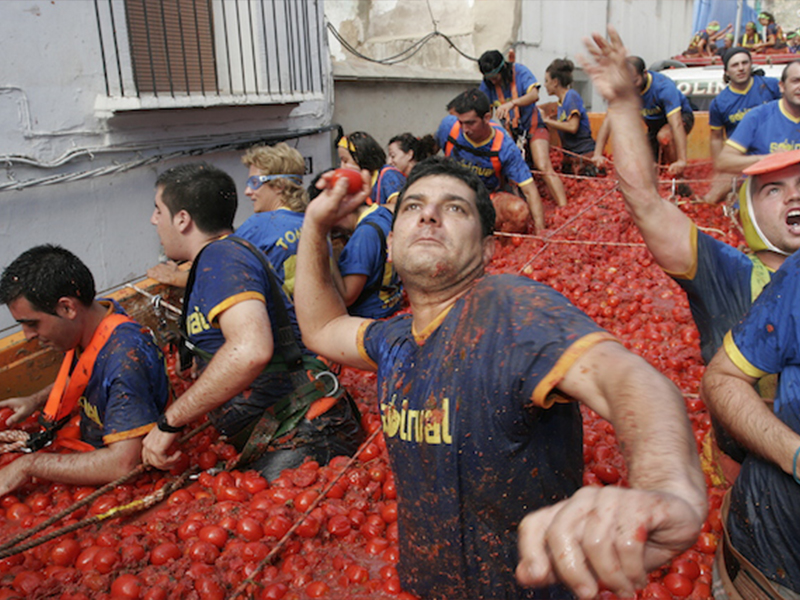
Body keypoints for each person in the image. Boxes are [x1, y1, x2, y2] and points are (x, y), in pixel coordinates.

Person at [295, 157, 706, 600]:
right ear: (391, 244)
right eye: (414, 206)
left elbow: (626, 377)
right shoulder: (394, 339)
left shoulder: (509, 308)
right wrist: (314, 227)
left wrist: (666, 486)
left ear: (489, 249)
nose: (430, 214)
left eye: (455, 209)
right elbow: (320, 328)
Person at [581, 27, 800, 466]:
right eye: (773, 190)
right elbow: (644, 201)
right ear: (747, 212)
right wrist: (624, 105)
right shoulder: (727, 273)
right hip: (749, 483)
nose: (795, 196)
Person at [142, 163, 363, 480]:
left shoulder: (221, 258)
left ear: (182, 219)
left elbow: (250, 350)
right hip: (297, 428)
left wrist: (170, 422)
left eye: (158, 210)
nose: (153, 220)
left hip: (304, 435)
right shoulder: (228, 253)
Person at [0, 245, 169, 495]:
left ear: (67, 308)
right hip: (90, 442)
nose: (28, 337)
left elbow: (123, 464)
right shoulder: (99, 320)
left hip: (125, 473)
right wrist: (35, 400)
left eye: (32, 324)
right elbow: (88, 372)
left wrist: (28, 465)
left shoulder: (124, 358)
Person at [701, 166, 800, 594]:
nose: (793, 198)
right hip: (767, 558)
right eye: (775, 190)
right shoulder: (747, 271)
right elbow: (722, 378)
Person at [148, 143, 309, 298]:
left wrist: (175, 277)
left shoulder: (260, 226)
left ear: (280, 184)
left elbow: (219, 269)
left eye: (254, 183)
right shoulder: (309, 222)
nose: (247, 191)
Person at [436, 88, 546, 231]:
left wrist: (541, 233)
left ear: (486, 118)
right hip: (451, 194)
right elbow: (430, 148)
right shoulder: (449, 127)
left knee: (519, 211)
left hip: (485, 199)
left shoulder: (505, 147)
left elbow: (529, 190)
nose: (465, 129)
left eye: (470, 123)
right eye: (461, 122)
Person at [478, 50, 568, 209]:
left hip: (533, 127)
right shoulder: (487, 85)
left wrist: (512, 104)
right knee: (507, 171)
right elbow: (484, 112)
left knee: (543, 165)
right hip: (510, 134)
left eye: (495, 77)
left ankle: (564, 208)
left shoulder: (520, 72)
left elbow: (534, 95)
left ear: (503, 69)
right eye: (489, 79)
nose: (493, 82)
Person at [593, 55, 694, 178]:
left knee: (664, 137)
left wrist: (681, 160)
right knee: (646, 165)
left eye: (635, 81)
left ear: (644, 73)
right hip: (654, 125)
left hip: (681, 117)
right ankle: (663, 175)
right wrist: (598, 153)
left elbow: (676, 123)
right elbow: (608, 121)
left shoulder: (663, 87)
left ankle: (678, 177)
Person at [703, 47, 781, 203]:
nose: (740, 68)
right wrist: (720, 168)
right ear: (726, 71)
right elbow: (716, 138)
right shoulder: (720, 103)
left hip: (775, 153)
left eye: (744, 63)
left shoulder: (771, 86)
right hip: (742, 160)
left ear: (751, 65)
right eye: (735, 65)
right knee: (711, 199)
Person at [716, 60, 800, 174]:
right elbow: (724, 162)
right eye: (796, 81)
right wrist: (769, 159)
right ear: (782, 86)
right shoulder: (758, 117)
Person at [334, 201, 403, 319]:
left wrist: (327, 256)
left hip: (369, 319)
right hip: (392, 308)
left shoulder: (364, 235)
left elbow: (346, 297)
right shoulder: (385, 213)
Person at [541, 58, 598, 176]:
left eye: (546, 81)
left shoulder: (571, 96)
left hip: (583, 154)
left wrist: (547, 121)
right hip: (571, 155)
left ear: (555, 82)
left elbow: (573, 127)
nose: (545, 85)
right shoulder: (560, 102)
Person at [338, 132, 406, 206]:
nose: (342, 167)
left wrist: (369, 212)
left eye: (345, 161)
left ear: (362, 158)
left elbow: (398, 208)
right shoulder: (357, 183)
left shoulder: (389, 176)